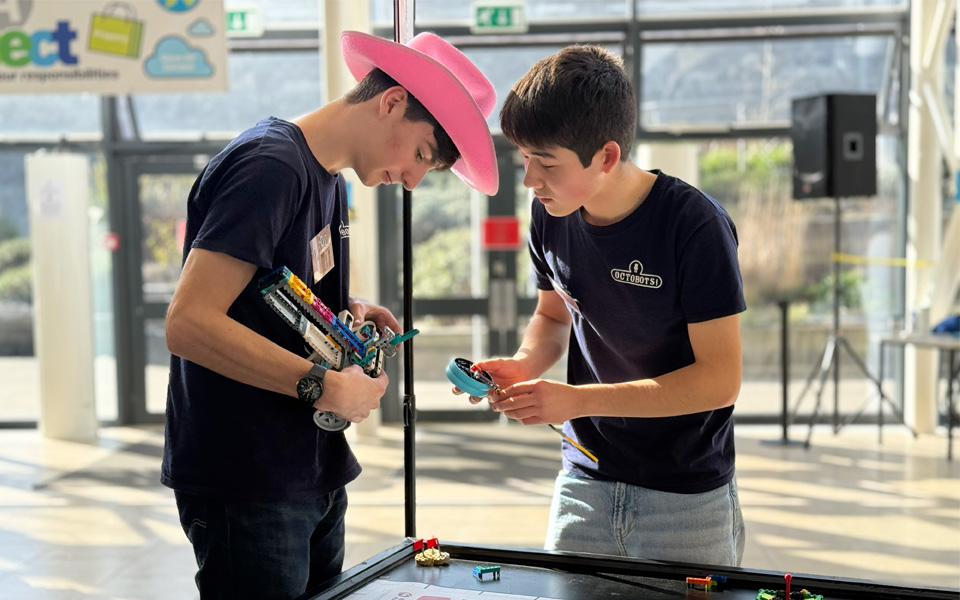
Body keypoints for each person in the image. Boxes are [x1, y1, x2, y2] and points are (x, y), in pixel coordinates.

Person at [162, 30, 498, 599]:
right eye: (420, 154)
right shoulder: (271, 167)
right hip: (249, 479)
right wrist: (319, 383)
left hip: (306, 468)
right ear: (391, 101)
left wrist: (350, 315)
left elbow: (270, 297)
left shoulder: (327, 183)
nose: (413, 180)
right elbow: (188, 323)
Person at [458, 45, 746, 567]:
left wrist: (578, 400)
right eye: (524, 159)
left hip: (686, 496)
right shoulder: (550, 213)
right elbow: (552, 315)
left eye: (545, 163)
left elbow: (719, 380)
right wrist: (524, 365)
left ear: (607, 156)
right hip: (583, 481)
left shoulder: (694, 226)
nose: (529, 179)